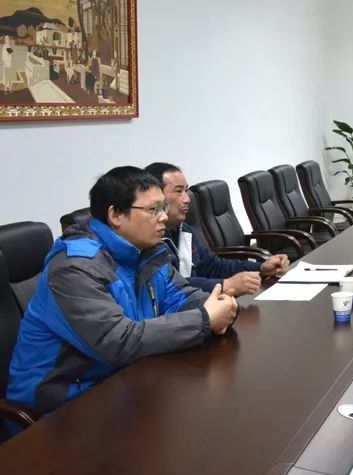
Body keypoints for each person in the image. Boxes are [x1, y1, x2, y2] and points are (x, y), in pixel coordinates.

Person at [6, 166, 237, 414]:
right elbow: (118, 342)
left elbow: (182, 297)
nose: (163, 217)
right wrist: (205, 319)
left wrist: (218, 305)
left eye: (163, 207)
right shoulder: (75, 267)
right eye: (153, 210)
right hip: (59, 405)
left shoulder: (148, 252)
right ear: (115, 215)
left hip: (122, 382)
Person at [145, 162, 289, 297]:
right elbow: (169, 286)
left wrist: (261, 268)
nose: (187, 199)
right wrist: (225, 285)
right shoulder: (148, 241)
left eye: (186, 190)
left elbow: (213, 267)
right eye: (178, 191)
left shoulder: (184, 229)